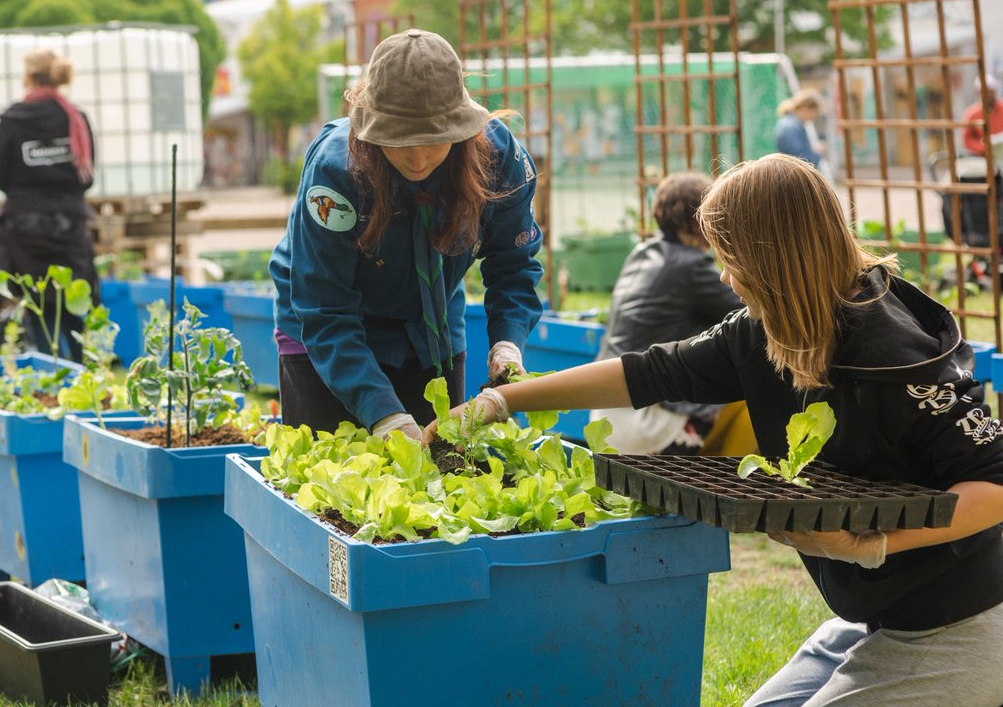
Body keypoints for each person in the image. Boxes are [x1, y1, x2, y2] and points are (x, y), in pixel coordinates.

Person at [427, 153, 1003, 706]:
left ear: (775, 259)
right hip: (884, 620)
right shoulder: (766, 330)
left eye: (733, 259)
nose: (725, 277)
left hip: (965, 616)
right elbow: (651, 371)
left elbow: (995, 485)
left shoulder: (895, 359)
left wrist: (875, 545)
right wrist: (502, 399)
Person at [270, 28, 544, 440]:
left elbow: (514, 263)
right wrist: (383, 414)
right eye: (399, 141)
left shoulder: (498, 156)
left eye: (435, 139)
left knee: (441, 467)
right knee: (330, 484)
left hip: (430, 327)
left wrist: (508, 342)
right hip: (323, 336)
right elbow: (324, 307)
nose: (418, 158)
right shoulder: (335, 174)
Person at [590, 172, 750, 455]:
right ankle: (731, 480)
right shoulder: (689, 266)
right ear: (703, 218)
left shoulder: (642, 253)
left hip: (607, 413)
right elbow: (751, 312)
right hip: (649, 421)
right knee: (753, 394)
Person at [0, 48, 97, 362]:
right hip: (70, 228)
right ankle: (83, 377)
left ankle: (51, 374)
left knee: (38, 307)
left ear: (30, 77)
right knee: (75, 307)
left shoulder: (12, 119)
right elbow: (87, 178)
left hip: (24, 231)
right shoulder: (76, 118)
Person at [775, 88, 825, 170]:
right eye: (815, 111)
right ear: (806, 108)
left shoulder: (790, 123)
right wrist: (817, 153)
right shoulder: (791, 128)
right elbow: (802, 160)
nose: (814, 117)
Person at [962, 74, 1003, 158]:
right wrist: (983, 148)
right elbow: (968, 139)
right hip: (982, 157)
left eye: (990, 92)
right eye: (984, 92)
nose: (988, 96)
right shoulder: (971, 114)